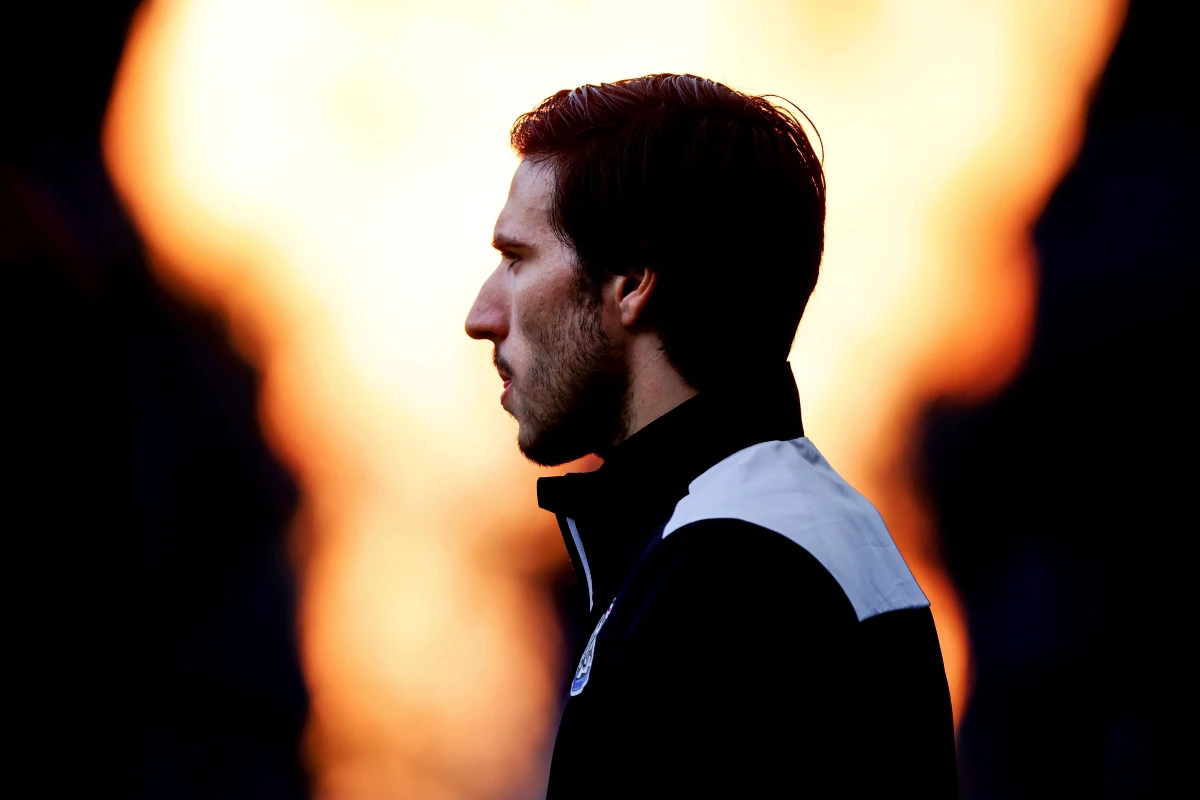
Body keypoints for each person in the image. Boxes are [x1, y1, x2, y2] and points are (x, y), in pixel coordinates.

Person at [465, 74, 958, 798]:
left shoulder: (731, 574)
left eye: (517, 259)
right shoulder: (770, 532)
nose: (483, 314)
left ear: (632, 279)